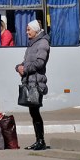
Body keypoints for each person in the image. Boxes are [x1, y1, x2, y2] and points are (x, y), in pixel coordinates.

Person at [15, 19, 50, 150]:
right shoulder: (32, 44)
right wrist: (18, 67)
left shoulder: (43, 43)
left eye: (28, 29)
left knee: (35, 111)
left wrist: (25, 69)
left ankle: (41, 141)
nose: (26, 32)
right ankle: (39, 141)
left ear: (35, 30)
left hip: (36, 82)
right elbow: (26, 61)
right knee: (33, 112)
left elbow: (40, 63)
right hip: (29, 81)